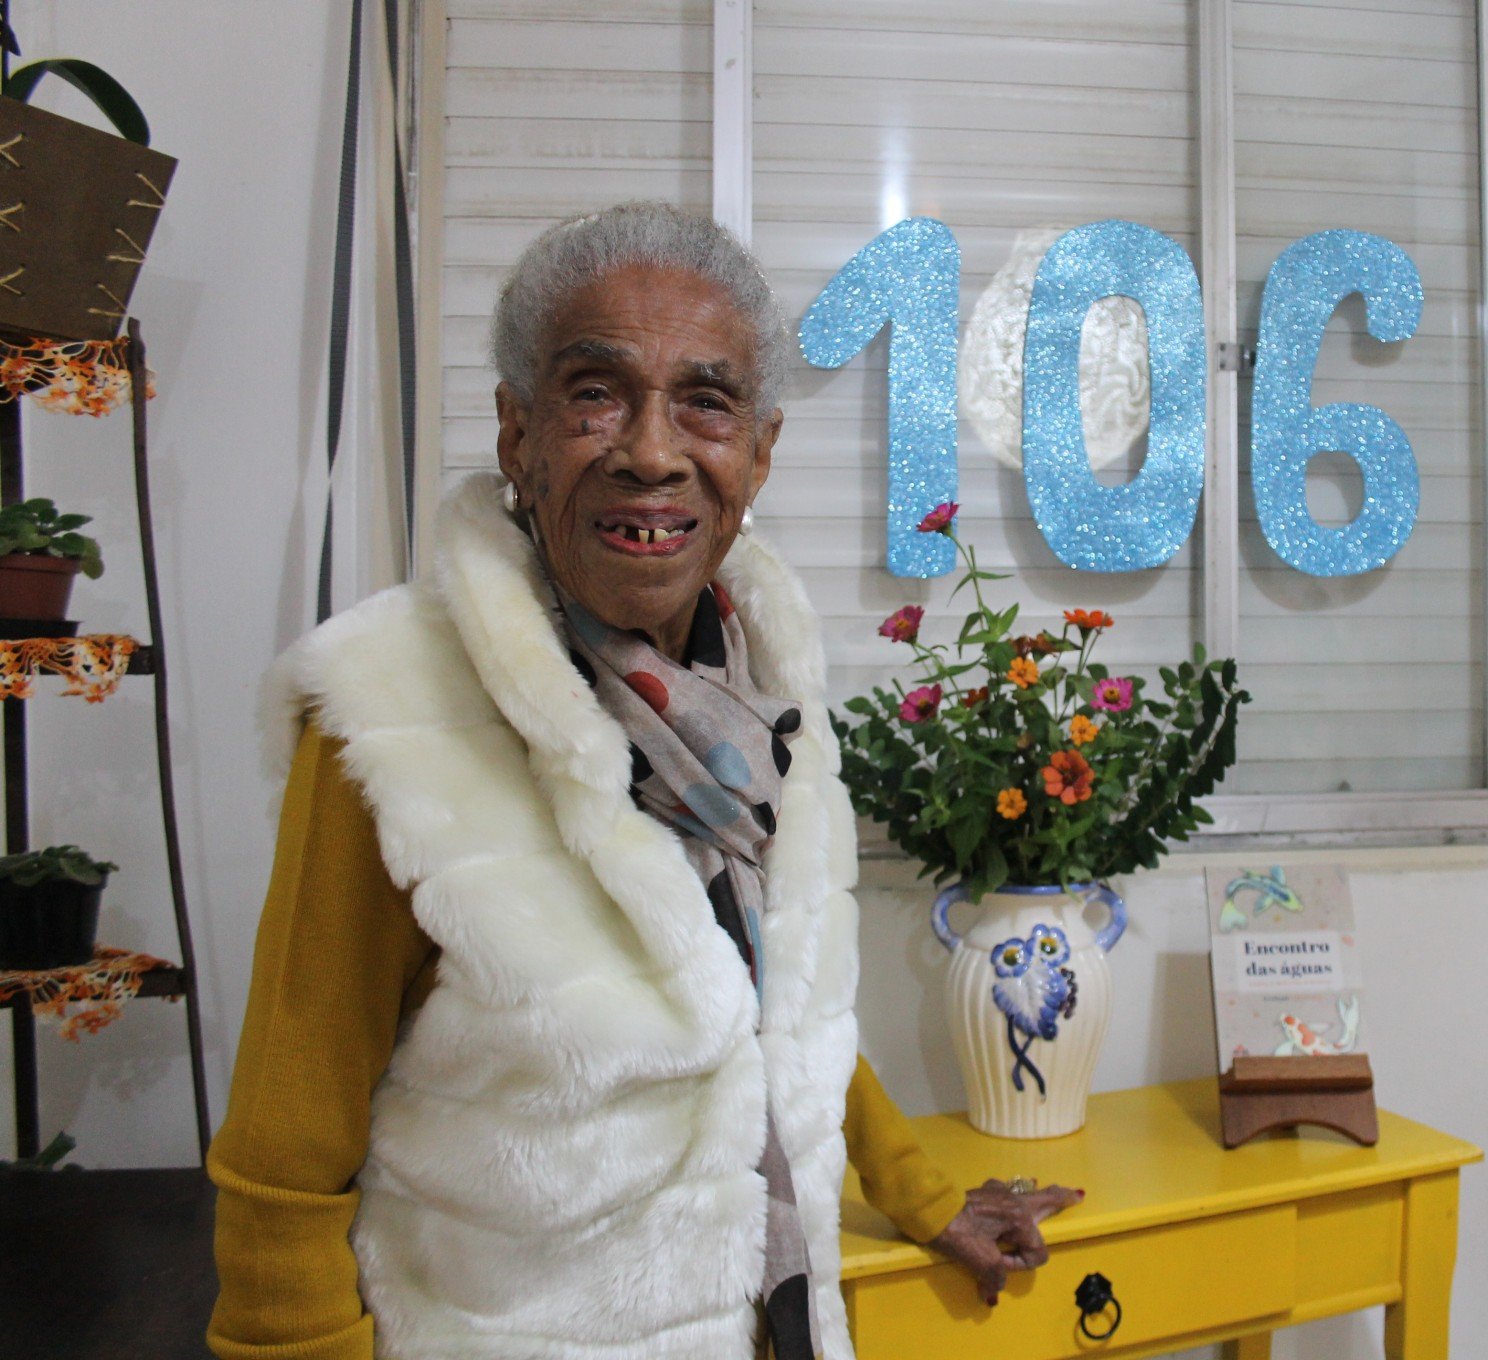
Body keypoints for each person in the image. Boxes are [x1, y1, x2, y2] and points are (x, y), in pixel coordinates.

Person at [208, 202, 1078, 1360]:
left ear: (758, 452)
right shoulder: (388, 711)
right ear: (518, 434)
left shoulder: (770, 703)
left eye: (705, 401)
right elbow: (282, 1161)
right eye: (595, 391)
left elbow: (780, 998)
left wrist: (920, 1197)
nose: (653, 450)